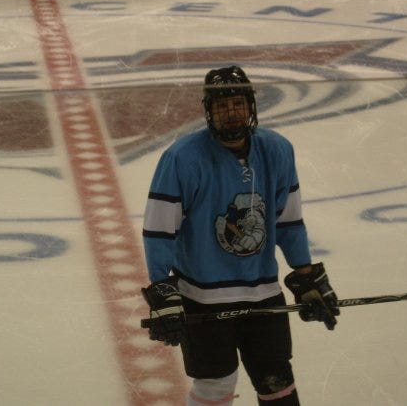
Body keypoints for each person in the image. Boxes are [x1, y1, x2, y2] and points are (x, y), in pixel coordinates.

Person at [141, 66, 340, 406]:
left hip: (263, 291)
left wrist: (305, 275)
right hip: (202, 296)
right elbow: (160, 230)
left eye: (237, 104)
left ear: (251, 106)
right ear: (209, 111)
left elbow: (289, 221)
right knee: (214, 387)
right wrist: (162, 289)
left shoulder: (277, 150)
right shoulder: (182, 158)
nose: (231, 113)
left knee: (277, 382)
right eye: (222, 106)